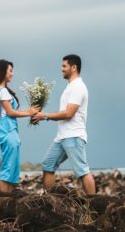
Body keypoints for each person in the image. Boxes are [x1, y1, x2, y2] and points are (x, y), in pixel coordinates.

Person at [32, 54, 96, 195]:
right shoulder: (71, 86)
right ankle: (50, 201)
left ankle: (94, 205)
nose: (61, 69)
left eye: (64, 66)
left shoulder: (78, 87)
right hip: (62, 137)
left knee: (82, 171)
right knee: (48, 164)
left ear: (74, 68)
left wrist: (45, 116)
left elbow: (69, 113)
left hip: (73, 136)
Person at [0, 59, 39, 193]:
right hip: (8, 132)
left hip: (10, 132)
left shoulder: (3, 91)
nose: (12, 74)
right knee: (8, 167)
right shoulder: (3, 92)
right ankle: (3, 199)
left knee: (12, 168)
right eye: (10, 71)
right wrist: (29, 113)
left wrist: (28, 111)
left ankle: (8, 199)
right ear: (2, 72)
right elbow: (11, 113)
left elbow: (10, 112)